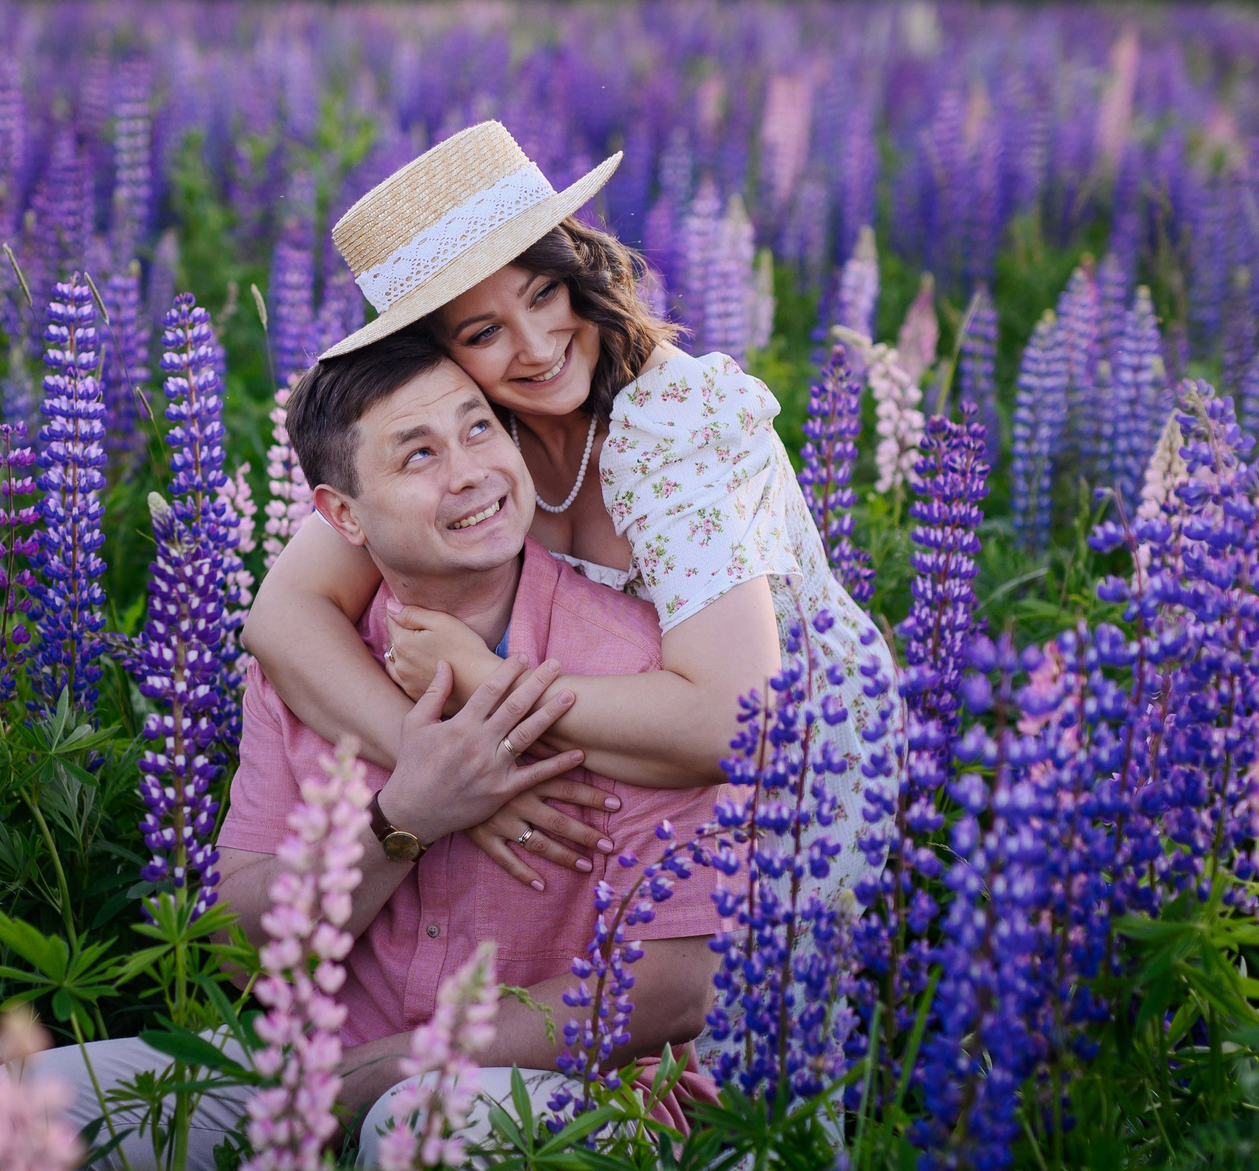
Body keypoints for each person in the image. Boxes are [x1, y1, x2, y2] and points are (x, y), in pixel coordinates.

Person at [18, 338, 727, 1171]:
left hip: (560, 1115)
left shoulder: (632, 668)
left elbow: (672, 987)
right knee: (12, 1109)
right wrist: (404, 818)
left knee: (423, 1118)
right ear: (340, 514)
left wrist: (395, 1066)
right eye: (419, 453)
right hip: (312, 1090)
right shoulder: (312, 668)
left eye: (480, 428)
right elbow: (235, 948)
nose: (471, 471)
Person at [244, 119, 895, 901]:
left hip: (798, 765)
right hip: (617, 774)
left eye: (544, 292)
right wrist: (448, 772)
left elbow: (736, 721)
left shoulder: (674, 422)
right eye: (484, 331)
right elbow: (280, 617)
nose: (538, 345)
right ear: (434, 355)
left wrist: (488, 680)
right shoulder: (469, 435)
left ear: (575, 272)